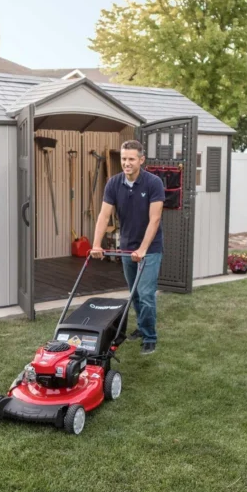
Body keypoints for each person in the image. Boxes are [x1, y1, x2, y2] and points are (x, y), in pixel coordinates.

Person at [91, 140, 165, 355]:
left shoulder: (153, 183)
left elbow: (155, 219)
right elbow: (104, 216)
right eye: (124, 159)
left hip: (149, 249)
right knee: (134, 294)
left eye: (131, 159)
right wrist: (96, 244)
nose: (126, 163)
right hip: (126, 247)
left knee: (146, 293)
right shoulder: (114, 183)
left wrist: (142, 249)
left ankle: (150, 337)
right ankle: (142, 328)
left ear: (141, 160)